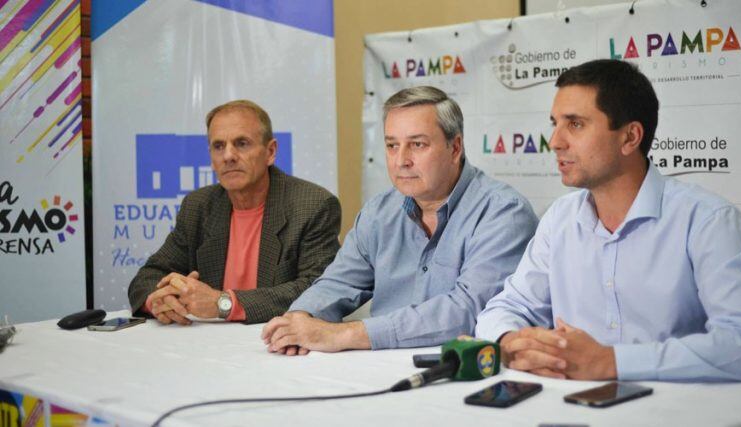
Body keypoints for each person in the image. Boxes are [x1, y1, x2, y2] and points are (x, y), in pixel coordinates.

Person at [475, 59, 741, 382]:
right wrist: (509, 340)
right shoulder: (559, 219)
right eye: (554, 123)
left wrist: (612, 362)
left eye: (575, 124)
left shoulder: (707, 221)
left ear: (630, 138)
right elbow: (504, 309)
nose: (555, 141)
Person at [262, 86, 538, 355]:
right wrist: (300, 320)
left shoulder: (503, 212)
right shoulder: (379, 212)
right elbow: (339, 282)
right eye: (392, 145)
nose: (401, 160)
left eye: (417, 144)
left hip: (459, 369)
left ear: (455, 148)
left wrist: (344, 334)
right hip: (377, 365)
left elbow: (468, 310)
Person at [128, 100, 341, 324]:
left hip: (278, 343)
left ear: (270, 152)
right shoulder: (199, 206)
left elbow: (318, 289)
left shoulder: (312, 205)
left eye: (241, 143)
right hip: (208, 343)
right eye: (218, 146)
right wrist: (160, 302)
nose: (228, 156)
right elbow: (149, 276)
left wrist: (223, 303)